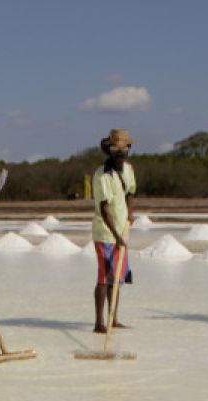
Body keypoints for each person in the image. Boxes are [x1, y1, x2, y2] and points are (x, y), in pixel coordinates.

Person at [91, 128, 136, 333]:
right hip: (106, 233)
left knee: (117, 278)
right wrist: (116, 236)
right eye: (116, 148)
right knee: (104, 277)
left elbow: (130, 193)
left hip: (121, 232)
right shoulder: (102, 175)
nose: (120, 151)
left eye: (124, 147)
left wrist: (130, 215)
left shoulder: (128, 170)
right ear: (109, 150)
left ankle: (113, 318)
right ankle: (99, 323)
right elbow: (104, 208)